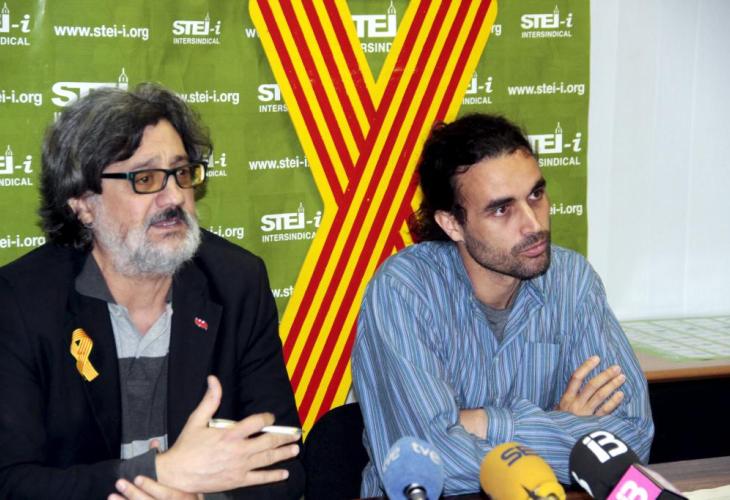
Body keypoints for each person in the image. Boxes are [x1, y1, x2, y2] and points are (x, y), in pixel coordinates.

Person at [0, 83, 304, 499]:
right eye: (145, 178)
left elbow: (283, 461)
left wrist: (196, 496)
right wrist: (157, 472)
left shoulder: (236, 283)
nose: (175, 196)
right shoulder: (20, 302)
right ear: (83, 203)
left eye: (182, 172)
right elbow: (11, 482)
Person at [351, 113, 654, 496]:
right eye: (501, 209)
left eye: (536, 195)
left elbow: (631, 441)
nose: (533, 225)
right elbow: (431, 464)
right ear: (452, 224)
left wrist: (483, 423)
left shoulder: (572, 281)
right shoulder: (405, 291)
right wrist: (559, 426)